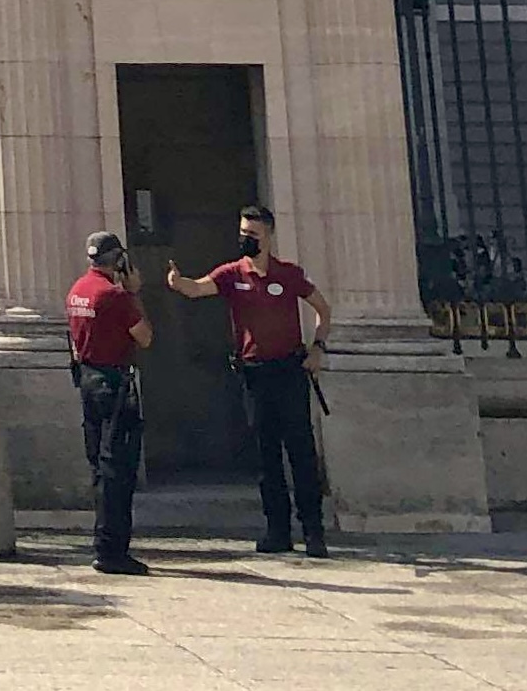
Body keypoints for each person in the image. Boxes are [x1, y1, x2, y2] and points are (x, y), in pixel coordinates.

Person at [167, 203, 332, 556]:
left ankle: (314, 531)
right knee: (266, 456)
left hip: (289, 371)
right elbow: (198, 289)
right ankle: (278, 532)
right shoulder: (232, 274)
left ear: (268, 236)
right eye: (243, 233)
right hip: (255, 374)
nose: (246, 239)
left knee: (301, 453)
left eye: (253, 234)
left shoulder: (288, 274)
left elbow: (323, 309)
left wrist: (317, 348)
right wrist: (179, 283)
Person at [66, 228, 153, 576]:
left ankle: (103, 542)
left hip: (88, 379)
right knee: (118, 468)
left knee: (99, 466)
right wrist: (134, 293)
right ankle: (112, 549)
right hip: (115, 383)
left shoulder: (78, 290)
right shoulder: (114, 296)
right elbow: (145, 337)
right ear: (118, 260)